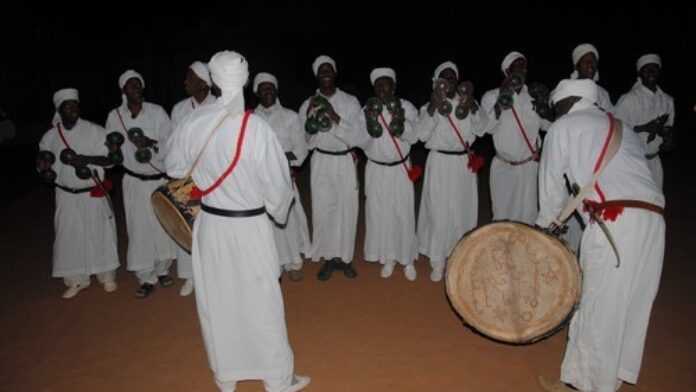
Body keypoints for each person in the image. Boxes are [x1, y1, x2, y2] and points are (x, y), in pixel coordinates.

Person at [165, 50, 310, 392]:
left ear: (213, 81)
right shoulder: (257, 128)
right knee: (263, 301)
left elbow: (172, 169)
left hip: (211, 226)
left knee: (217, 300)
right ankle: (276, 379)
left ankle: (226, 376)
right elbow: (278, 190)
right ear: (246, 80)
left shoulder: (191, 121)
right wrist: (276, 209)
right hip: (249, 227)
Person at [536, 79, 665, 392]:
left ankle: (587, 385)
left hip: (614, 221)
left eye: (557, 108)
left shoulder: (564, 127)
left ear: (566, 103)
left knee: (597, 305)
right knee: (631, 304)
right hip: (654, 220)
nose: (556, 114)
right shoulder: (623, 127)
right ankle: (607, 378)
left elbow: (551, 184)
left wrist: (545, 224)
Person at [37, 88, 119, 299]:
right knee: (69, 236)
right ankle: (76, 280)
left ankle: (106, 275)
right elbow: (43, 162)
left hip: (92, 191)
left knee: (99, 232)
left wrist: (86, 159)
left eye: (75, 105)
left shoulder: (94, 130)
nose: (73, 109)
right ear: (60, 110)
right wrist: (44, 169)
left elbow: (110, 160)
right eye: (68, 106)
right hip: (65, 193)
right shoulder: (50, 136)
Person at [105, 70, 177, 298]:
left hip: (158, 179)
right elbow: (110, 148)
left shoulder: (157, 112)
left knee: (162, 224)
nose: (135, 88)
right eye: (130, 85)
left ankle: (163, 269)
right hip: (134, 181)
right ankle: (146, 276)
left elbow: (172, 141)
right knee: (139, 228)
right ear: (123, 90)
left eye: (138, 84)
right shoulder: (115, 116)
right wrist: (113, 149)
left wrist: (151, 142)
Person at [417, 61, 488, 282]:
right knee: (438, 211)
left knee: (462, 211)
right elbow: (421, 135)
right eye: (444, 78)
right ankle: (437, 261)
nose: (448, 81)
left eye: (452, 77)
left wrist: (473, 105)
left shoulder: (467, 103)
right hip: (438, 162)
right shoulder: (429, 106)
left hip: (462, 165)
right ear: (437, 82)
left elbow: (482, 128)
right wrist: (432, 106)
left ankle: (459, 259)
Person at [352, 67, 419, 280]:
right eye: (378, 85)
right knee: (380, 213)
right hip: (376, 169)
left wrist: (400, 120)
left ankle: (407, 259)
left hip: (400, 168)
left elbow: (415, 135)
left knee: (403, 212)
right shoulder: (367, 108)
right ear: (374, 88)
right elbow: (359, 140)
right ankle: (389, 257)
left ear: (394, 86)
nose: (382, 88)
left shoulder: (406, 106)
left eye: (386, 84)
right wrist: (370, 120)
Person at [298, 55, 361, 281]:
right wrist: (309, 123)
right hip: (321, 161)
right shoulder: (308, 103)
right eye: (321, 70)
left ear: (335, 73)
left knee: (347, 209)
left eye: (329, 69)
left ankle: (344, 258)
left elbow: (357, 136)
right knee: (324, 209)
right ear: (317, 75)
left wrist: (334, 116)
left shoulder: (350, 101)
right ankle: (328, 257)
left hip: (344, 160)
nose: (325, 73)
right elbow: (303, 140)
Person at [253, 72, 311, 282]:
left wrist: (279, 160)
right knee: (265, 225)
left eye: (270, 87)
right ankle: (272, 264)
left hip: (284, 178)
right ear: (256, 92)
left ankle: (293, 261)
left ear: (276, 91)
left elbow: (301, 151)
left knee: (288, 221)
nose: (267, 91)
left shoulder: (291, 116)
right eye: (262, 88)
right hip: (258, 182)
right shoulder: (250, 118)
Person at [481, 51, 544, 224]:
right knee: (502, 218)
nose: (522, 70)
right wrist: (500, 103)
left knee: (528, 217)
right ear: (507, 71)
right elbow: (486, 128)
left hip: (530, 168)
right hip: (504, 169)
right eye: (517, 66)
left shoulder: (532, 95)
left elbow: (547, 126)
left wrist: (544, 107)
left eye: (524, 66)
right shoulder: (491, 96)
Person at [170, 61, 216, 296]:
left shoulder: (219, 106)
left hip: (213, 178)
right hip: (186, 178)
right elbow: (174, 143)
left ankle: (213, 276)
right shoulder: (179, 109)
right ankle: (190, 276)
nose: (185, 82)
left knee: (213, 228)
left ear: (203, 82)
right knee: (186, 225)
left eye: (189, 78)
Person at [615, 54, 675, 189]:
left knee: (655, 203)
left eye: (654, 68)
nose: (651, 72)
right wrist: (643, 127)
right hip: (632, 162)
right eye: (646, 69)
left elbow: (669, 131)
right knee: (634, 204)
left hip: (654, 161)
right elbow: (615, 130)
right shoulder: (628, 100)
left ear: (659, 72)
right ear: (640, 73)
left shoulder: (668, 101)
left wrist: (668, 140)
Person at [570, 43, 614, 112]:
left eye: (593, 61)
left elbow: (611, 116)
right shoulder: (567, 89)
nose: (590, 64)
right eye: (585, 61)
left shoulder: (603, 93)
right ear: (576, 66)